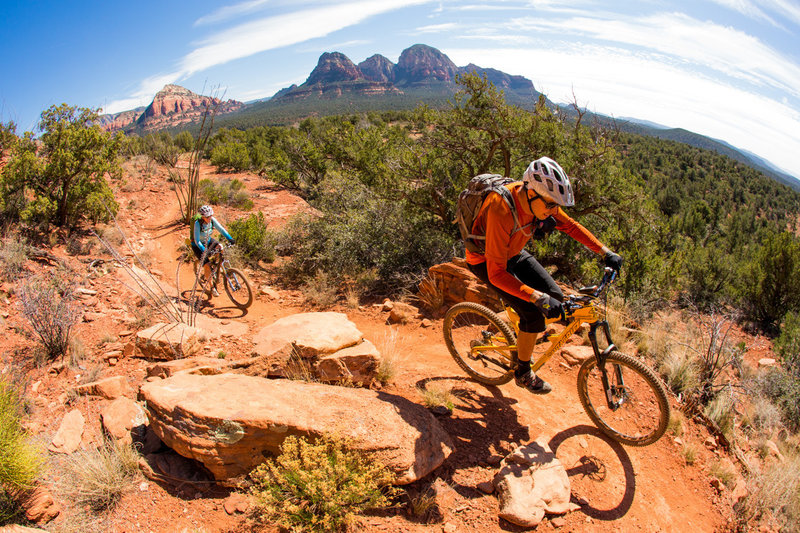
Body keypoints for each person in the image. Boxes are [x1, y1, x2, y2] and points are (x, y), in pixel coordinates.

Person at [465, 157, 622, 394]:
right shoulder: (501, 208)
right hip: (486, 261)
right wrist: (535, 297)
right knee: (533, 315)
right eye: (550, 205)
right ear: (530, 193)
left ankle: (523, 337)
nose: (552, 211)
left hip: (512, 250)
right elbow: (496, 273)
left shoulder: (540, 200)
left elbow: (570, 225)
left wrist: (604, 251)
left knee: (556, 297)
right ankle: (523, 372)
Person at [190, 205, 235, 286]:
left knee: (220, 247)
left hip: (208, 240)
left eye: (210, 216)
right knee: (206, 265)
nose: (209, 218)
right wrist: (204, 250)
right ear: (203, 217)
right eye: (207, 217)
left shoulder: (212, 220)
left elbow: (221, 229)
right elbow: (197, 241)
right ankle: (211, 286)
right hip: (197, 245)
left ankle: (215, 265)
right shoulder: (197, 224)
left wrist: (230, 238)